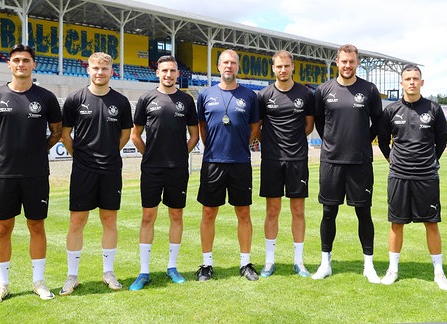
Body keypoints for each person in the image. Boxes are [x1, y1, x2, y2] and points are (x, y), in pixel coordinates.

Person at [0, 44, 62, 306]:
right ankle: (2, 285)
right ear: (10, 65)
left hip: (36, 173)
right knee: (3, 228)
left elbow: (56, 132)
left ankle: (38, 282)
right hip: (5, 173)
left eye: (26, 60)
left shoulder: (46, 98)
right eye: (16, 60)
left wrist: (39, 150)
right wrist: (2, 153)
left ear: (33, 64)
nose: (21, 64)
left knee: (36, 226)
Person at [59, 52, 133, 295]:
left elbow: (125, 135)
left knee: (109, 221)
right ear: (88, 70)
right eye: (95, 68)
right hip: (82, 170)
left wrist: (110, 152)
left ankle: (108, 272)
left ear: (112, 71)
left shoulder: (121, 102)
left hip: (111, 169)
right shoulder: (74, 100)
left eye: (104, 68)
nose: (100, 72)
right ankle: (72, 276)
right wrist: (80, 156)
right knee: (77, 221)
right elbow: (66, 135)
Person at [377, 64, 447, 290]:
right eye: (407, 78)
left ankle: (439, 273)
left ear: (422, 82)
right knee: (396, 223)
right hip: (399, 175)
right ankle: (393, 270)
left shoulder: (434, 109)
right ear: (401, 83)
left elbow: (441, 139)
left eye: (415, 78)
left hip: (426, 176)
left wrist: (430, 160)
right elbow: (382, 141)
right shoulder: (390, 111)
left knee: (431, 222)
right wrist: (394, 161)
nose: (411, 82)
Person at [312, 44, 382, 283]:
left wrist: (362, 141)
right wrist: (333, 142)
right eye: (344, 61)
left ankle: (369, 266)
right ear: (337, 62)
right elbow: (321, 124)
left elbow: (378, 123)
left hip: (360, 162)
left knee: (364, 213)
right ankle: (325, 263)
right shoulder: (323, 90)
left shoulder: (370, 90)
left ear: (357, 62)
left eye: (351, 62)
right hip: (331, 161)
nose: (347, 66)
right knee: (328, 212)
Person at [129, 55, 199, 290]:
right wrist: (148, 155)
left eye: (172, 71)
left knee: (176, 216)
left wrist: (181, 155)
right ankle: (144, 271)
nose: (168, 75)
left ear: (178, 74)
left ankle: (172, 267)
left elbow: (194, 136)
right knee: (148, 217)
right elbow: (135, 135)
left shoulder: (186, 101)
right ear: (157, 73)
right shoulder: (146, 98)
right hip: (151, 169)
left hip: (177, 169)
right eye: (164, 71)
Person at [195, 49, 261, 281]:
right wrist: (212, 145)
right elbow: (203, 127)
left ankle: (245, 263)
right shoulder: (206, 95)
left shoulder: (249, 96)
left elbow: (255, 127)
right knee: (208, 212)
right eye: (225, 62)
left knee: (243, 212)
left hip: (240, 162)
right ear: (218, 66)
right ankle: (206, 264)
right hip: (213, 162)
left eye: (233, 63)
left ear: (237, 67)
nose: (229, 66)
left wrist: (243, 143)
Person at [256, 50, 315, 278]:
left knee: (298, 210)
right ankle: (269, 261)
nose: (283, 70)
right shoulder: (263, 95)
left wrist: (293, 143)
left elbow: (308, 126)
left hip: (297, 159)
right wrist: (271, 143)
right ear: (273, 68)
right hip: (271, 160)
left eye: (286, 66)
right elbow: (258, 128)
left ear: (293, 67)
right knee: (272, 210)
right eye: (279, 66)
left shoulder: (305, 94)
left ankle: (298, 262)